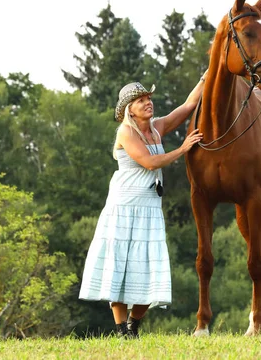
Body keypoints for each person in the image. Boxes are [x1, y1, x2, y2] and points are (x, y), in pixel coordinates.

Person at [79, 72, 207, 338]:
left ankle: (132, 326)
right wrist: (183, 149)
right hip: (124, 208)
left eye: (149, 97)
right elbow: (149, 162)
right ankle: (121, 331)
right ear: (130, 110)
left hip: (149, 208)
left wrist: (205, 78)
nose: (148, 102)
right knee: (120, 268)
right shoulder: (126, 131)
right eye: (141, 100)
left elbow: (186, 107)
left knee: (150, 270)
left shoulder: (157, 128)